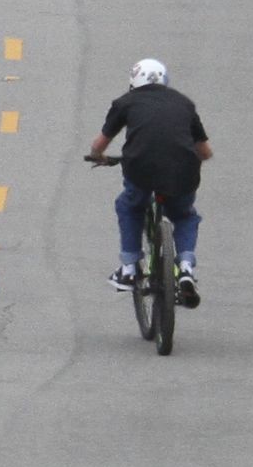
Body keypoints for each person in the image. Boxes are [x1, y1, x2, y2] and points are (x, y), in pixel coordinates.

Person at [86, 58, 212, 307]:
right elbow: (205, 152)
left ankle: (129, 268)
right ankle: (186, 268)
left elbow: (99, 144)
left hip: (140, 168)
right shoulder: (184, 103)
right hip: (182, 171)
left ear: (133, 81)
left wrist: (98, 157)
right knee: (184, 216)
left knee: (130, 206)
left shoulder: (125, 102)